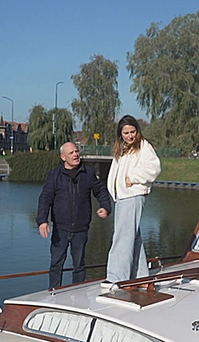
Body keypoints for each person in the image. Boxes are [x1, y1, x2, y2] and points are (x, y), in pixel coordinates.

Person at [36, 142, 111, 288]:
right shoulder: (55, 175)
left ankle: (78, 293)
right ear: (63, 157)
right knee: (56, 264)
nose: (76, 155)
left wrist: (106, 207)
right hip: (60, 229)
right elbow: (45, 198)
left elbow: (100, 191)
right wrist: (42, 220)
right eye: (71, 153)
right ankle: (53, 292)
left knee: (79, 265)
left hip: (81, 229)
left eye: (76, 151)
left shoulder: (87, 173)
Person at [102, 115, 161, 287]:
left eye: (133, 131)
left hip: (133, 195)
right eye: (126, 133)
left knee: (122, 236)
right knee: (132, 236)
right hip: (122, 196)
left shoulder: (143, 146)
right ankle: (142, 276)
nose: (130, 136)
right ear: (120, 134)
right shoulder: (123, 148)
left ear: (138, 130)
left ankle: (116, 277)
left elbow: (154, 167)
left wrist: (133, 178)